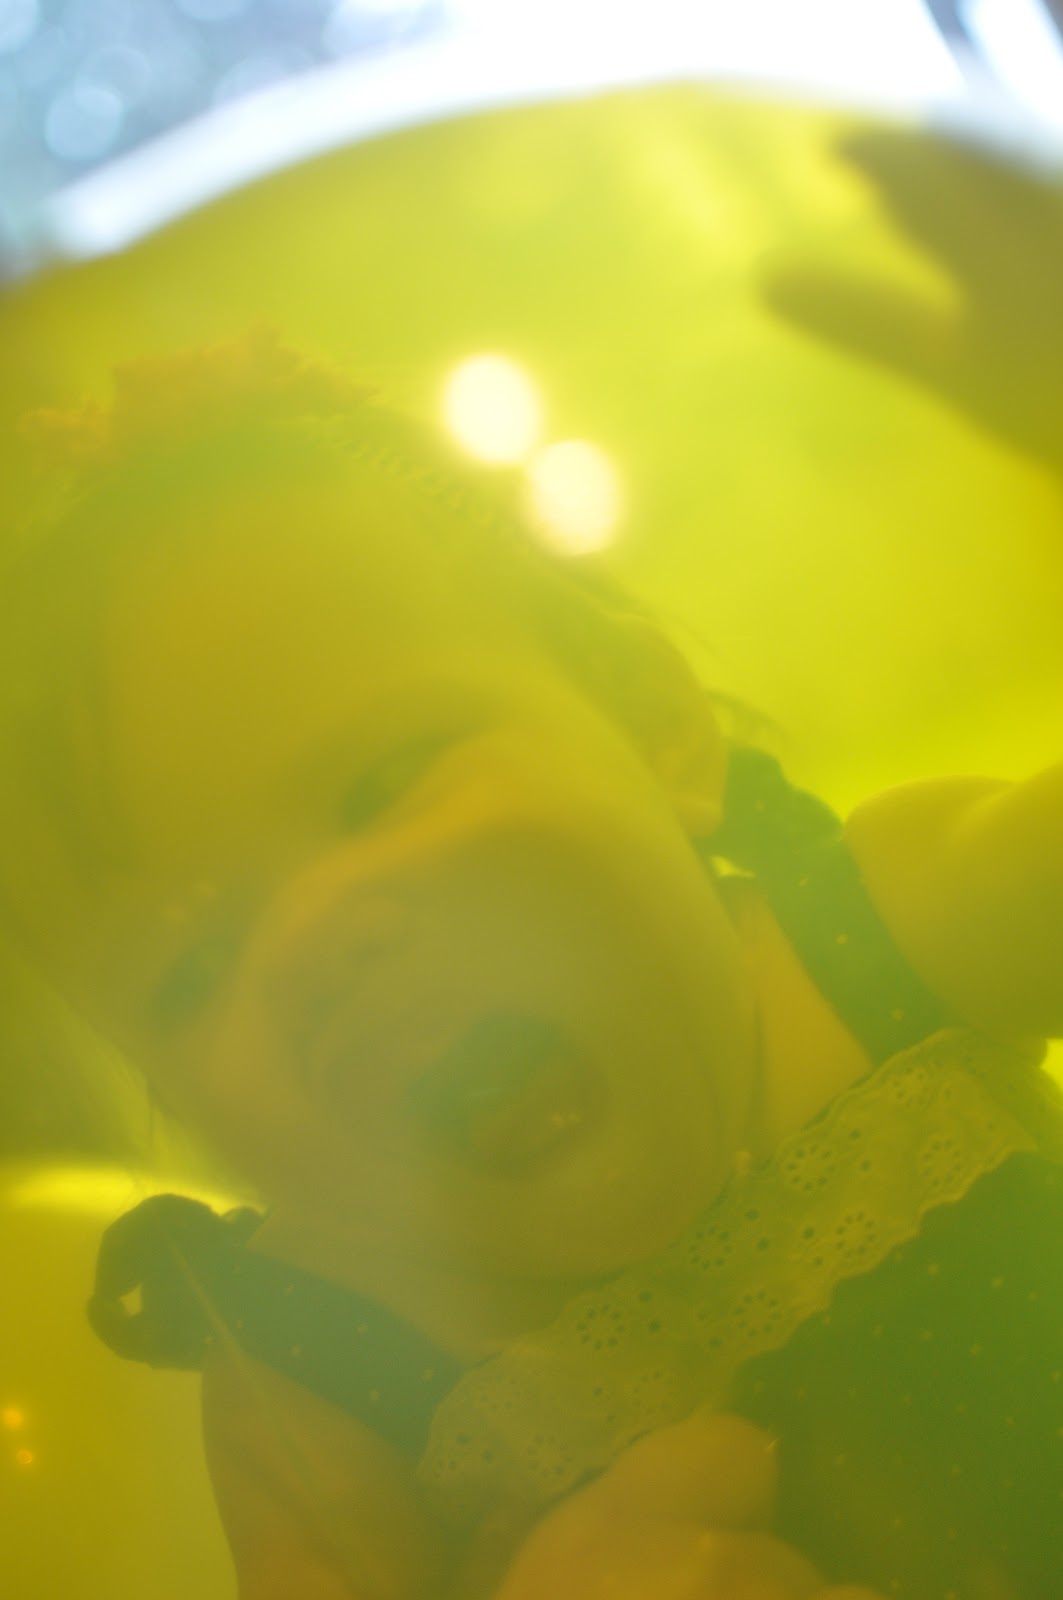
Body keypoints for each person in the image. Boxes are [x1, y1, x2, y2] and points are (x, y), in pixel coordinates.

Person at [1, 121, 1060, 1595]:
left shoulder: (873, 933)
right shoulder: (321, 1367)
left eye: (376, 786)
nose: (313, 941)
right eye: (188, 971)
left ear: (655, 727)